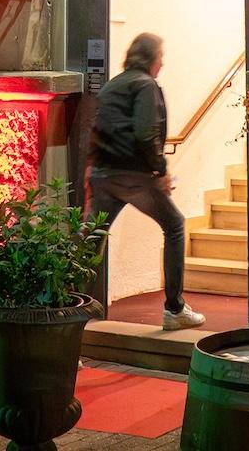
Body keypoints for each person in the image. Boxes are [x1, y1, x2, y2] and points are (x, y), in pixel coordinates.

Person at [87, 33, 204, 332]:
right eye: (160, 56)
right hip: (134, 176)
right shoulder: (145, 85)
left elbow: (97, 129)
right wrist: (160, 170)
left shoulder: (111, 85)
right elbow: (144, 133)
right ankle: (175, 309)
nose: (162, 62)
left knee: (90, 239)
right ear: (150, 57)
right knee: (175, 225)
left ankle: (72, 306)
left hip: (104, 174)